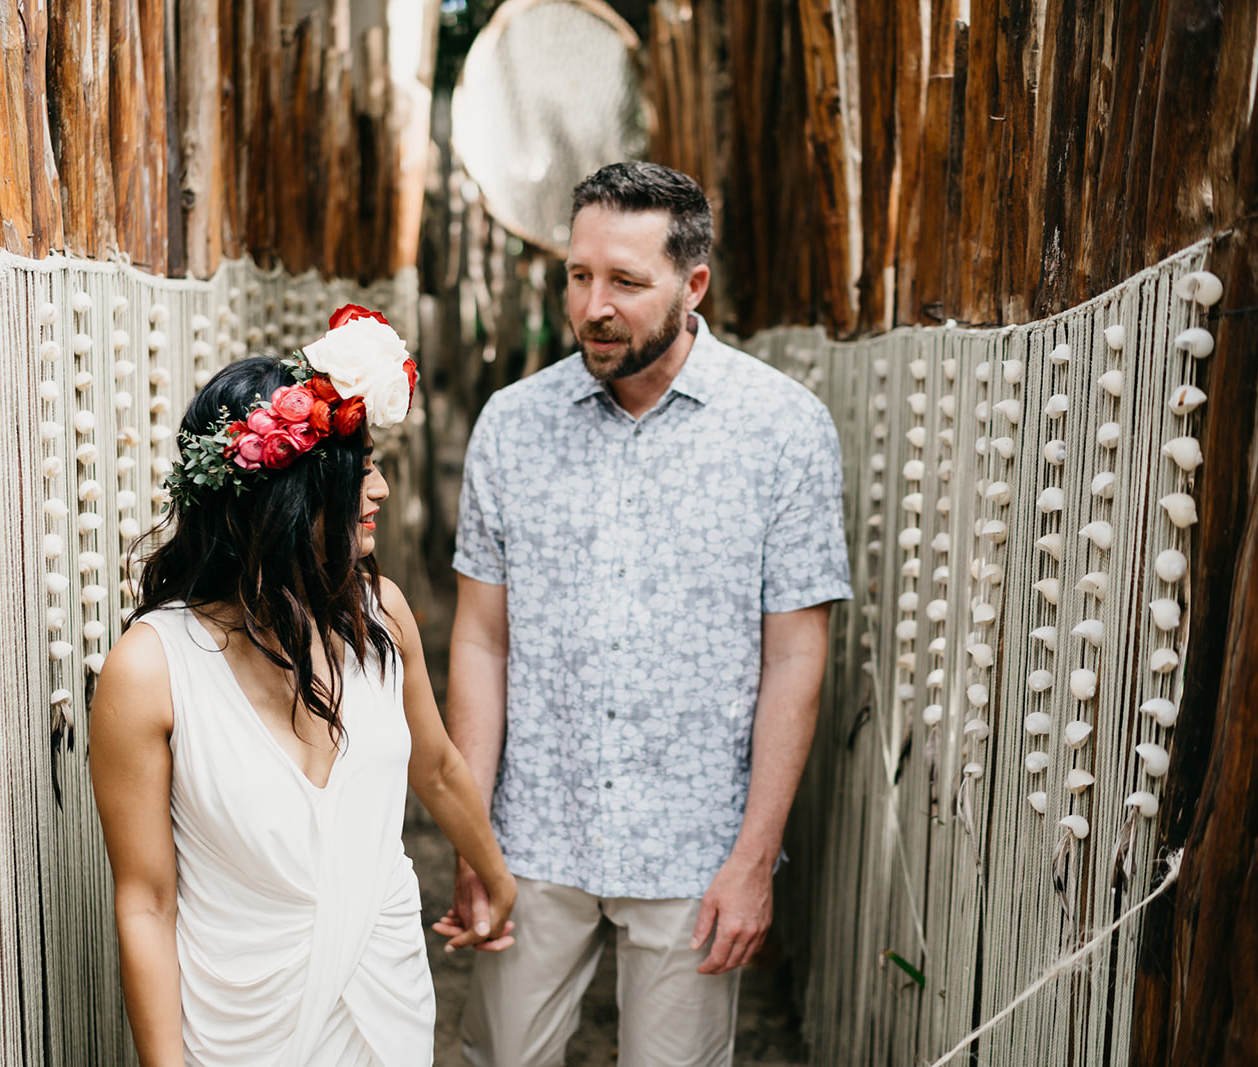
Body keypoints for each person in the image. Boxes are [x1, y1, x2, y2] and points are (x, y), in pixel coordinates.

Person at [433, 162, 852, 1066]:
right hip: (535, 831)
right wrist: (474, 835)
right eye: (581, 276)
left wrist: (752, 859)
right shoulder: (512, 425)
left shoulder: (784, 428)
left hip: (695, 845)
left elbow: (795, 659)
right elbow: (480, 638)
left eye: (625, 281)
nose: (594, 306)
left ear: (692, 283)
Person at [90, 306, 516, 1067]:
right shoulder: (151, 668)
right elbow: (146, 902)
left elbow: (439, 766)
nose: (379, 488)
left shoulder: (381, 615)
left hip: (382, 993)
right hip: (236, 1018)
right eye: (359, 472)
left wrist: (493, 872)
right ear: (284, 497)